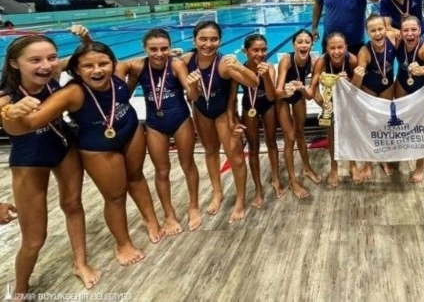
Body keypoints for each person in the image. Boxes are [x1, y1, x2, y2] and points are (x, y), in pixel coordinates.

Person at [2, 41, 165, 266]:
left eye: (103, 64)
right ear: (77, 71)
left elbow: (137, 64)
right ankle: (123, 243)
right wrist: (10, 115)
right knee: (115, 197)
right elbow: (28, 124)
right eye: (88, 66)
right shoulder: (71, 93)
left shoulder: (118, 72)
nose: (97, 70)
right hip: (96, 146)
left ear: (113, 63)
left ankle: (151, 220)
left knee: (136, 177)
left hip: (129, 131)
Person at [0, 33, 101, 296]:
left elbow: (87, 58)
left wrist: (86, 38)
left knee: (73, 205)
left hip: (64, 147)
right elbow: (7, 117)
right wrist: (10, 113)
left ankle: (80, 263)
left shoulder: (53, 73)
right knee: (34, 239)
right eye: (35, 60)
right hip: (30, 161)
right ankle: (20, 290)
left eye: (51, 57)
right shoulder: (6, 98)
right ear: (14, 63)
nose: (46, 65)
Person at [115, 29, 202, 234]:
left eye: (164, 49)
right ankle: (169, 214)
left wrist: (194, 86)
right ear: (144, 48)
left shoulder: (176, 65)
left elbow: (193, 97)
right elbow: (124, 94)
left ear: (170, 48)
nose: (159, 54)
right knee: (161, 171)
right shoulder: (138, 67)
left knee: (188, 164)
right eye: (153, 49)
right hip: (154, 124)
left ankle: (193, 206)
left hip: (180, 120)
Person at [182, 21, 258, 223]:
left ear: (220, 41)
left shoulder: (224, 63)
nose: (208, 44)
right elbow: (155, 61)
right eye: (203, 39)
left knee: (236, 157)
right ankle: (217, 193)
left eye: (214, 39)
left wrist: (240, 67)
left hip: (223, 113)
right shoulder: (186, 60)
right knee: (210, 152)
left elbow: (254, 83)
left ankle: (240, 200)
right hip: (201, 111)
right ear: (194, 40)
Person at [234, 34, 285, 208]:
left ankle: (276, 178)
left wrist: (266, 77)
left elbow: (271, 96)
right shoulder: (240, 69)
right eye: (255, 50)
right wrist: (233, 117)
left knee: (271, 142)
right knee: (253, 147)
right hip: (249, 106)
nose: (260, 54)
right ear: (245, 51)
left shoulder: (269, 67)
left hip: (267, 105)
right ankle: (258, 188)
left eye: (263, 50)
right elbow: (231, 96)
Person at [352, 14, 400, 180]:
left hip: (387, 87)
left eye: (380, 29)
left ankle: (383, 158)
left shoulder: (393, 38)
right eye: (373, 31)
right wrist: (357, 75)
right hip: (369, 88)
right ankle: (367, 162)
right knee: (369, 125)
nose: (378, 33)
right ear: (367, 33)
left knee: (384, 124)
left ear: (386, 29)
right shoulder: (364, 52)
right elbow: (355, 87)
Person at [276, 29, 321, 199]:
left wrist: (302, 89)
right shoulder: (286, 60)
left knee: (300, 132)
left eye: (307, 42)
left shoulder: (314, 61)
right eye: (300, 42)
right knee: (290, 137)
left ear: (311, 45)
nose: (303, 45)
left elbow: (310, 95)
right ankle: (293, 180)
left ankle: (307, 168)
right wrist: (285, 90)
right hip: (282, 98)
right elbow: (277, 91)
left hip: (299, 94)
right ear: (293, 44)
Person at [394, 16, 424, 182]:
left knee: (420, 126)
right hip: (402, 83)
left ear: (420, 31)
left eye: (414, 29)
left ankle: (420, 165)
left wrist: (422, 69)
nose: (410, 33)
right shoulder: (398, 43)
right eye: (405, 30)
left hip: (421, 87)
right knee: (400, 120)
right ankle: (399, 150)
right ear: (400, 32)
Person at [308, 32, 357, 186]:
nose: (336, 52)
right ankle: (334, 167)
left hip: (349, 101)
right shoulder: (321, 62)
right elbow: (314, 88)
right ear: (327, 49)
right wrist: (323, 105)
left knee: (351, 133)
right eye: (332, 48)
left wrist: (349, 81)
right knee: (331, 135)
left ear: (346, 47)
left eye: (340, 47)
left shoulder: (352, 60)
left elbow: (359, 87)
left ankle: (353, 164)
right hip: (330, 101)